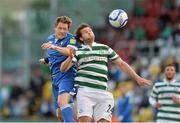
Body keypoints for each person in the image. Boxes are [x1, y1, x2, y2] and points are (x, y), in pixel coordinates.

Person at [59, 23, 152, 122]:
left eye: (90, 30)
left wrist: (137, 78)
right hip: (85, 92)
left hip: (103, 92)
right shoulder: (78, 51)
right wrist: (70, 56)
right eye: (86, 32)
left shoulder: (105, 48)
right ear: (81, 38)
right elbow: (63, 69)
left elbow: (121, 64)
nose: (89, 32)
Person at [41, 16, 81, 122]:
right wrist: (47, 60)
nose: (62, 31)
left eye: (65, 29)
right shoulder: (51, 38)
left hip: (67, 76)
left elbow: (69, 52)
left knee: (62, 102)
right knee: (60, 114)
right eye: (60, 28)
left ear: (68, 30)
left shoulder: (71, 38)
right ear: (55, 28)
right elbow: (55, 55)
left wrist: (53, 47)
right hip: (55, 79)